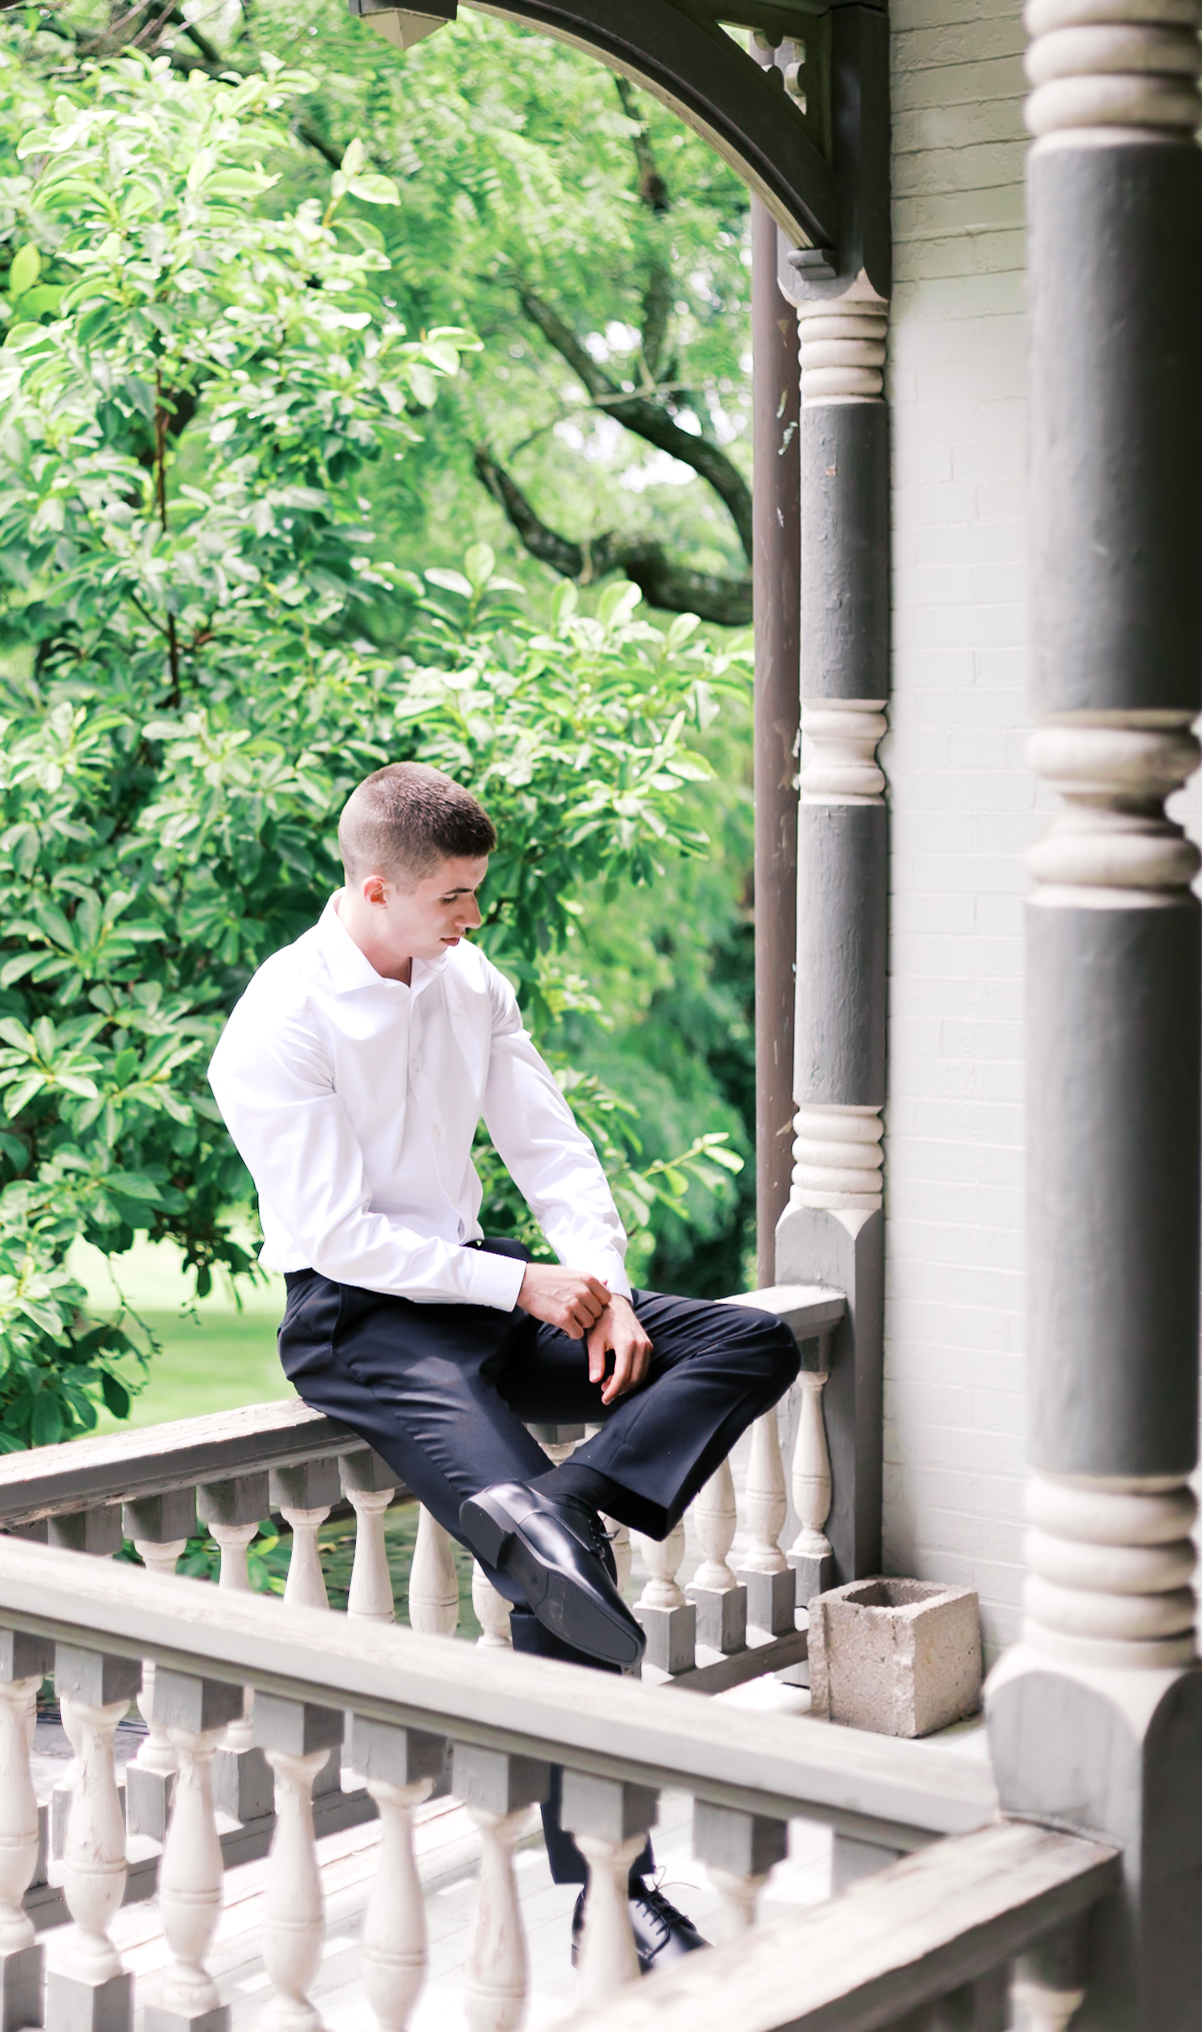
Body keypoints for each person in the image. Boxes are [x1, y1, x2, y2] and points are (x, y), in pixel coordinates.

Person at [209, 762, 801, 1971]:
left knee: (749, 1338)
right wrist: (522, 1283)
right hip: (361, 1323)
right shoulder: (280, 1021)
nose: (475, 916)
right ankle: (614, 1890)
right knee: (556, 1583)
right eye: (457, 897)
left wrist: (605, 1287)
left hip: (484, 1291)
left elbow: (548, 1140)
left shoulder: (468, 979)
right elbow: (334, 1235)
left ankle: (558, 1516)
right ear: (377, 888)